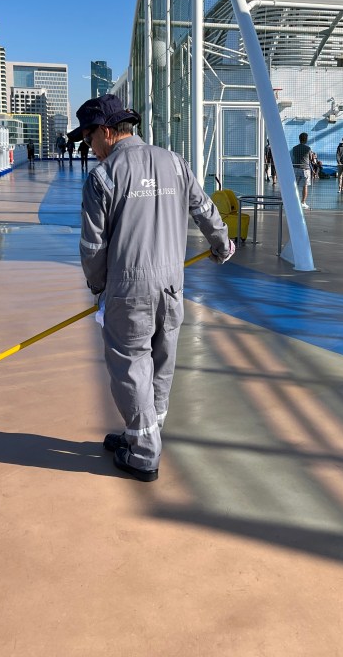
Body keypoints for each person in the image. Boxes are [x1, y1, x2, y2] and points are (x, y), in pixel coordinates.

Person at [72, 94, 234, 482]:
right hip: (172, 284)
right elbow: (204, 208)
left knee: (130, 366)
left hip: (128, 287)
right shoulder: (174, 162)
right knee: (161, 360)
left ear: (106, 132)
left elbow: (93, 247)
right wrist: (221, 243)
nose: (88, 147)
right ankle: (145, 432)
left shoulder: (103, 176)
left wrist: (98, 286)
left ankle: (144, 452)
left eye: (88, 138)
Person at [291, 132, 314, 209]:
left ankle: (294, 201)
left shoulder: (294, 148)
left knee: (295, 185)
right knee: (305, 186)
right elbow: (311, 159)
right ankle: (303, 202)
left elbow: (293, 157)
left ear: (299, 139)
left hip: (295, 168)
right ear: (306, 139)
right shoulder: (308, 148)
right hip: (305, 169)